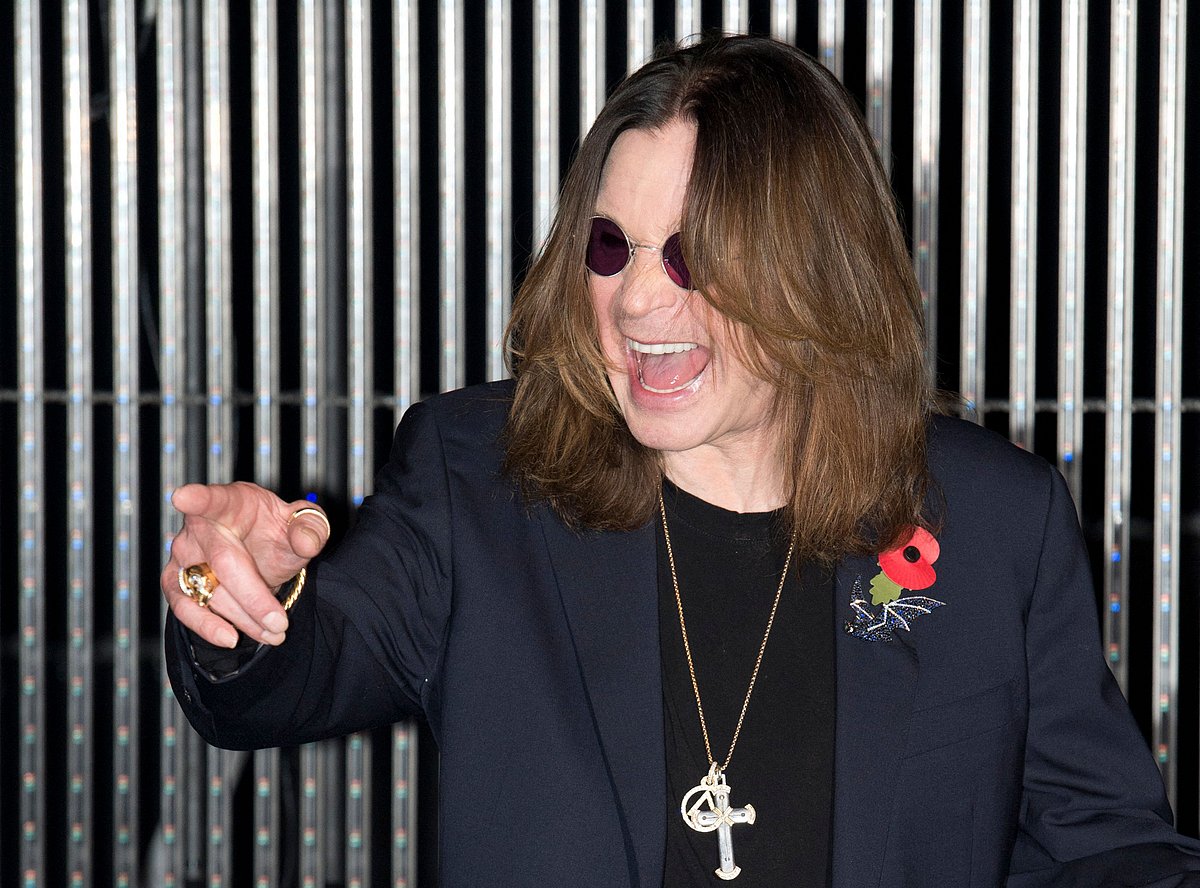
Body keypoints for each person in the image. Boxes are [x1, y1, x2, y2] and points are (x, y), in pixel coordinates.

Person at [163, 35, 1200, 887]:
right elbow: (294, 672)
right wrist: (240, 601)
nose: (640, 301)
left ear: (815, 273)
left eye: (695, 255)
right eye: (612, 247)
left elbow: (1105, 850)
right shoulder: (477, 477)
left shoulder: (991, 521)